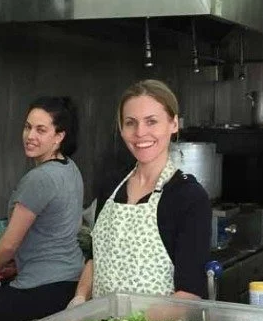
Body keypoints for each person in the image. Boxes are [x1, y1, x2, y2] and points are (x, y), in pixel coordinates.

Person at [71, 79, 211, 303]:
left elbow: (190, 294)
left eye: (151, 121)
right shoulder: (111, 186)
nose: (140, 132)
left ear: (174, 124)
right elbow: (96, 258)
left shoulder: (188, 197)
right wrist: (79, 298)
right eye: (130, 123)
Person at [0, 96, 84, 321]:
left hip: (40, 287)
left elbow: (9, 244)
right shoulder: (70, 168)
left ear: (59, 137)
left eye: (41, 130)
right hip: (70, 283)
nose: (30, 136)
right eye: (28, 127)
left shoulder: (39, 178)